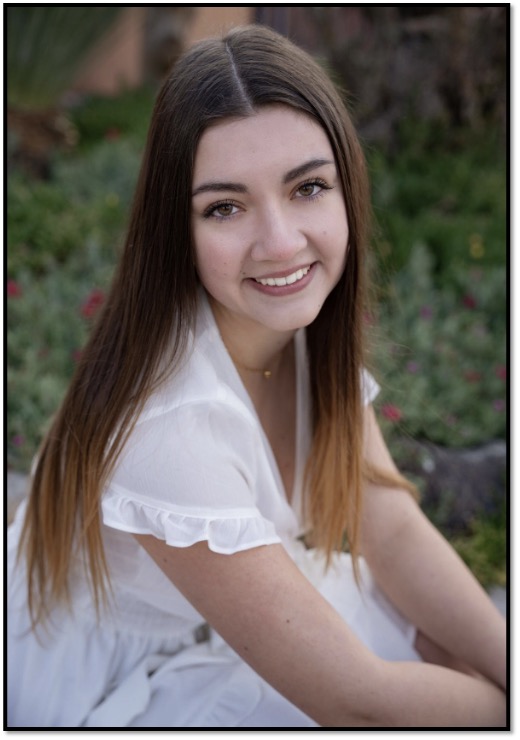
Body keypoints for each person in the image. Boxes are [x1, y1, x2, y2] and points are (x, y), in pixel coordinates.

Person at [8, 25, 506, 728]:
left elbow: (389, 527)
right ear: (175, 231)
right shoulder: (168, 429)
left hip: (218, 614)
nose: (279, 242)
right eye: (225, 207)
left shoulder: (290, 332)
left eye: (308, 187)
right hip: (117, 680)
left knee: (440, 652)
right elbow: (356, 701)